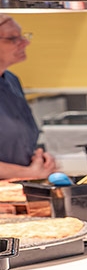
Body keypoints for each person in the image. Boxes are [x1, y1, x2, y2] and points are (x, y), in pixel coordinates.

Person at [0, 15, 57, 180]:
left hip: (17, 189)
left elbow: (18, 139)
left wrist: (40, 159)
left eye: (22, 36)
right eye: (13, 39)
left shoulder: (11, 80)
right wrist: (28, 173)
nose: (25, 43)